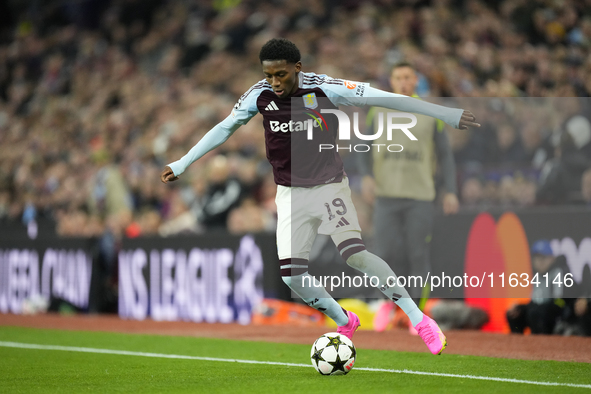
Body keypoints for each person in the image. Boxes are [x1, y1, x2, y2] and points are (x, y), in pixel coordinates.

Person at [160, 38, 480, 355]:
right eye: (268, 75)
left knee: (354, 254)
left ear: (297, 68)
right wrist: (182, 162)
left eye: (280, 75)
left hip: (329, 186)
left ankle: (419, 319)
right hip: (288, 194)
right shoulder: (258, 95)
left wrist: (444, 114)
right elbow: (225, 127)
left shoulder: (325, 88)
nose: (274, 82)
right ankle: (344, 321)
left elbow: (385, 98)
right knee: (292, 277)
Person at [357, 62, 460, 331]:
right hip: (386, 196)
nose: (403, 82)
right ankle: (389, 306)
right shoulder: (377, 110)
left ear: (415, 80)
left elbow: (445, 155)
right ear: (391, 81)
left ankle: (417, 316)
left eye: (408, 77)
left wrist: (450, 190)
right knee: (386, 253)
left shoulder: (431, 112)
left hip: (420, 196)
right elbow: (361, 146)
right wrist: (366, 176)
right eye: (398, 77)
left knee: (417, 253)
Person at [506, 240, 575, 335]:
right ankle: (516, 343)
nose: (539, 262)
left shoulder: (558, 273)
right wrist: (521, 307)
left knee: (536, 312)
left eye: (543, 258)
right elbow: (535, 301)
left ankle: (542, 344)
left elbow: (560, 301)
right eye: (536, 258)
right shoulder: (537, 275)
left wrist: (542, 307)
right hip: (538, 310)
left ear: (552, 259)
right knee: (514, 313)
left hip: (556, 311)